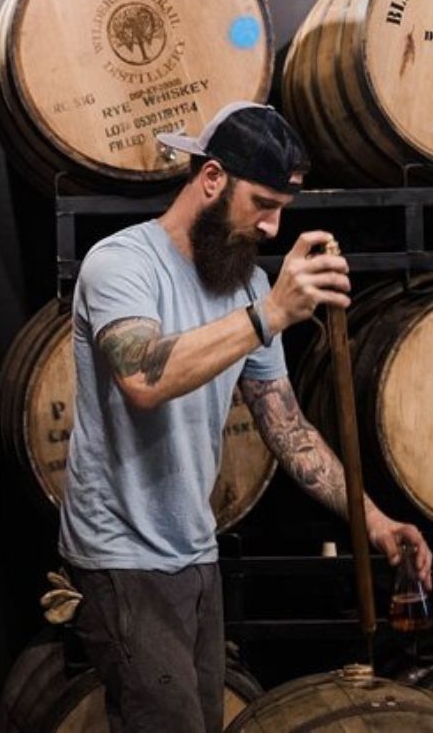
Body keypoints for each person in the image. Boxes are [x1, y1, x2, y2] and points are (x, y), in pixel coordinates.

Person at [58, 101, 433, 733]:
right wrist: (271, 317)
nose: (271, 229)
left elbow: (287, 427)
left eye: (281, 210)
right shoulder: (120, 265)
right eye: (262, 203)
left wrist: (373, 521)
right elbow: (145, 379)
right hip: (120, 556)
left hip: (193, 551)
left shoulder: (246, 285)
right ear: (211, 180)